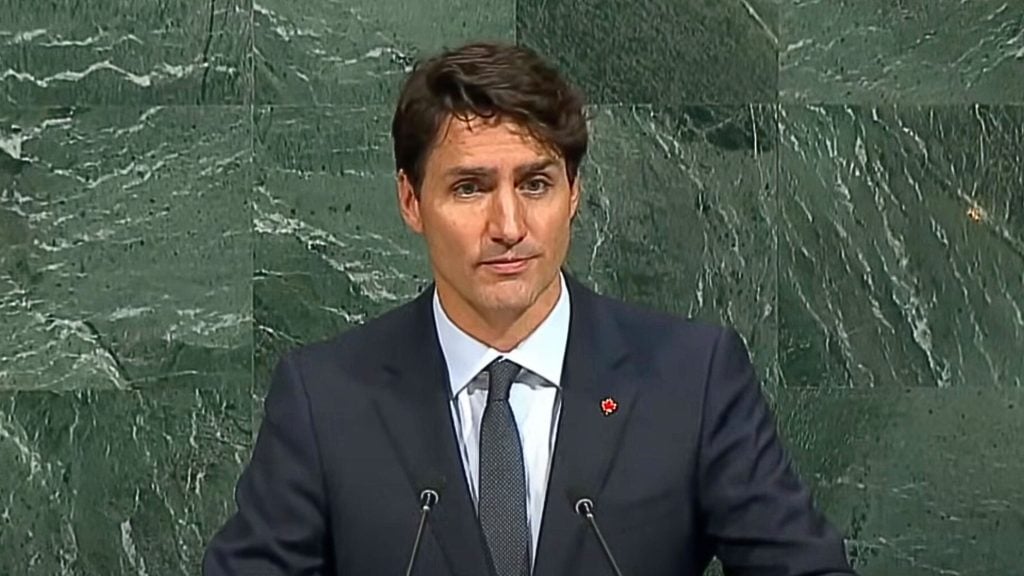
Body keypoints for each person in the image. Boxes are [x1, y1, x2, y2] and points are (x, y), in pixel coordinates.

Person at [203, 41, 857, 576]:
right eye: (470, 188)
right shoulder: (326, 397)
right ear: (410, 201)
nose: (509, 224)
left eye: (536, 184)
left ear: (574, 193)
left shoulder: (692, 377)